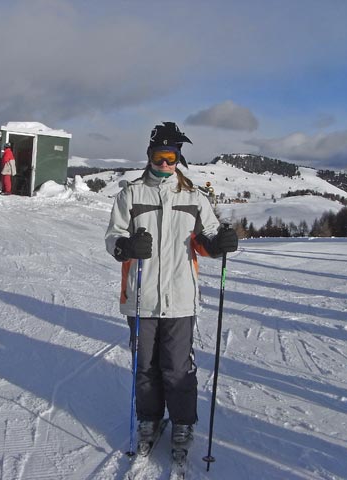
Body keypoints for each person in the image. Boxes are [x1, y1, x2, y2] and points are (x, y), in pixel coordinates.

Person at [105, 122, 238, 454]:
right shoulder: (130, 195)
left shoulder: (194, 197)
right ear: (149, 156)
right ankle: (148, 418)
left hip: (180, 299)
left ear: (179, 159)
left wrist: (221, 243)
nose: (165, 164)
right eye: (159, 156)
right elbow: (112, 237)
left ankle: (182, 423)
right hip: (141, 297)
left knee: (177, 367)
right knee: (145, 366)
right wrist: (125, 247)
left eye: (171, 157)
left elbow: (206, 240)